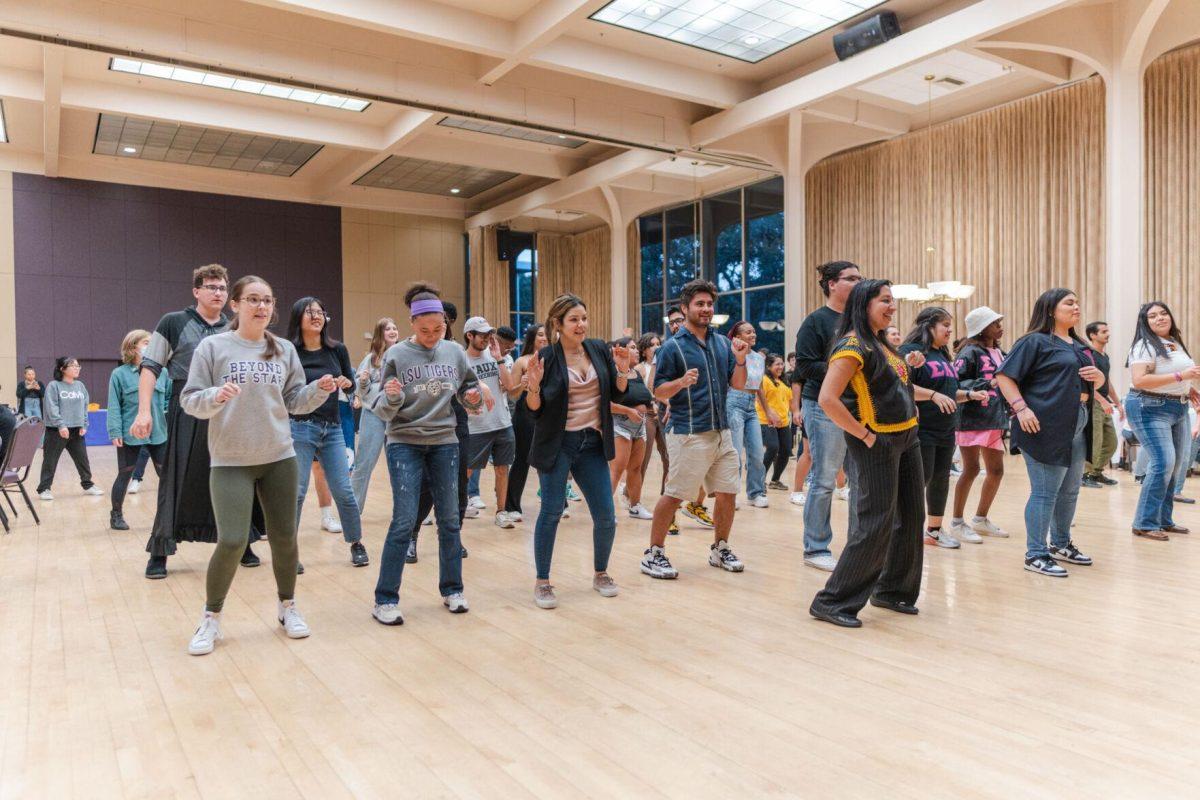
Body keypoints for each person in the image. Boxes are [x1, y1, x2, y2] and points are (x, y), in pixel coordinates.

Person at [181, 275, 333, 655]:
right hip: (231, 460)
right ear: (235, 304)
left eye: (267, 300)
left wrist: (319, 390)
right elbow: (190, 399)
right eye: (252, 299)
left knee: (284, 538)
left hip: (279, 457)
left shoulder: (282, 349)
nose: (261, 306)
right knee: (232, 540)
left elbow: (295, 400)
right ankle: (211, 619)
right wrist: (216, 395)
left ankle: (287, 607)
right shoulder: (212, 347)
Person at [808, 279, 932, 628]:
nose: (892, 307)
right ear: (864, 305)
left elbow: (894, 388)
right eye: (885, 301)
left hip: (907, 439)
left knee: (910, 518)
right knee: (875, 522)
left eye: (893, 301)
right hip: (877, 443)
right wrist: (864, 435)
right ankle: (832, 601)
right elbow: (827, 399)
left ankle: (891, 590)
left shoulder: (881, 345)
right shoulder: (851, 345)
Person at [132, 264, 260, 580]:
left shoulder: (234, 327)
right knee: (175, 478)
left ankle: (241, 544)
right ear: (196, 291)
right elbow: (150, 367)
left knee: (235, 477)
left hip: (229, 410)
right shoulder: (173, 322)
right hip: (187, 406)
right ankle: (159, 551)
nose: (217, 292)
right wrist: (144, 411)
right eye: (211, 287)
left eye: (222, 288)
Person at [370, 286, 484, 624]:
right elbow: (382, 409)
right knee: (404, 520)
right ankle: (385, 599)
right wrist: (391, 396)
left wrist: (475, 396)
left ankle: (452, 589)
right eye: (424, 330)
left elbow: (467, 391)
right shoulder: (396, 356)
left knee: (450, 519)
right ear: (412, 324)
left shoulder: (454, 353)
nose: (432, 336)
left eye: (439, 329)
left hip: (445, 441)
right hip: (404, 441)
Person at [524, 294, 629, 608]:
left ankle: (601, 573)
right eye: (573, 319)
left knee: (606, 516)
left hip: (592, 443)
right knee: (552, 510)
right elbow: (534, 409)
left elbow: (619, 389)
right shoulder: (546, 357)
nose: (581, 325)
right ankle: (542, 582)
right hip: (558, 444)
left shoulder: (597, 348)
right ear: (558, 324)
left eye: (583, 318)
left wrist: (622, 369)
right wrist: (533, 385)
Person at [643, 279, 749, 580]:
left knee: (728, 493)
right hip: (689, 432)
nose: (705, 309)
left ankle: (720, 548)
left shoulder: (721, 344)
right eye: (699, 304)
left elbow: (738, 384)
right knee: (675, 495)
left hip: (721, 431)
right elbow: (659, 391)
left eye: (709, 304)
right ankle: (654, 553)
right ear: (686, 308)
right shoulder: (672, 347)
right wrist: (681, 382)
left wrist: (740, 361)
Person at [995, 288, 1104, 577]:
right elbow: (1004, 376)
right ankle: (1035, 553)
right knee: (1045, 492)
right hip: (1043, 423)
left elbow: (1092, 380)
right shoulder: (1034, 341)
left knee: (1069, 491)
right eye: (1069, 303)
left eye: (1078, 302)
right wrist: (1021, 409)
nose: (1077, 306)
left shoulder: (1079, 345)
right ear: (1050, 309)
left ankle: (1060, 543)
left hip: (1078, 421)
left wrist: (1100, 377)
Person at [286, 296, 367, 568]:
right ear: (298, 317)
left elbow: (351, 385)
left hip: (331, 428)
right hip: (299, 427)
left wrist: (346, 383)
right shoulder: (289, 352)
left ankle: (356, 543)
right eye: (309, 312)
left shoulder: (337, 349)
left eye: (320, 312)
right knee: (296, 492)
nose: (316, 316)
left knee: (344, 490)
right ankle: (288, 552)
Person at [792, 261, 862, 571]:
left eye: (860, 278)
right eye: (851, 278)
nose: (858, 283)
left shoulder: (861, 322)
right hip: (822, 405)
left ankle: (859, 545)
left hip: (858, 406)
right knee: (824, 479)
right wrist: (844, 372)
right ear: (832, 284)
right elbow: (805, 366)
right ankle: (816, 547)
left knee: (860, 479)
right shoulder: (816, 322)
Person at [899, 308, 988, 548]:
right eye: (945, 325)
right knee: (920, 479)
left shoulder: (942, 355)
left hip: (946, 430)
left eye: (950, 325)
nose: (950, 330)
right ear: (929, 327)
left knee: (940, 479)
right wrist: (934, 395)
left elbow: (948, 394)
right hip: (921, 428)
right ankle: (905, 530)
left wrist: (969, 394)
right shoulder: (911, 352)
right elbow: (902, 387)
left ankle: (934, 531)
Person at [1124, 301, 1200, 541]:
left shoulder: (1175, 342)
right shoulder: (1144, 345)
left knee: (1177, 465)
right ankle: (1144, 523)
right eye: (1152, 316)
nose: (1159, 318)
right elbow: (1140, 380)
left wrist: (1187, 389)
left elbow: (1169, 374)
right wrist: (1182, 376)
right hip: (1149, 406)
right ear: (1145, 323)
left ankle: (1164, 520)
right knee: (1163, 463)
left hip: (1176, 405)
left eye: (1163, 313)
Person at [949, 307, 1009, 540]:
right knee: (971, 468)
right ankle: (956, 522)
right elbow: (957, 383)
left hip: (995, 418)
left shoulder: (1000, 352)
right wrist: (987, 384)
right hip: (973, 418)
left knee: (996, 470)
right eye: (996, 323)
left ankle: (980, 519)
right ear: (983, 328)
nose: (1000, 326)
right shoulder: (969, 352)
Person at [107, 330, 170, 531]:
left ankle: (170, 515)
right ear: (133, 346)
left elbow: (169, 398)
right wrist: (115, 432)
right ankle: (116, 515)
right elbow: (114, 405)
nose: (150, 346)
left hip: (158, 432)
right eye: (146, 342)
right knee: (125, 474)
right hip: (130, 434)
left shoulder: (163, 372)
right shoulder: (119, 374)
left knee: (166, 475)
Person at [462, 316, 517, 529]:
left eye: (488, 334)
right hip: (476, 426)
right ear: (470, 336)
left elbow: (510, 385)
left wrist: (499, 359)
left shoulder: (494, 356)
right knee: (467, 470)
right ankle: (457, 507)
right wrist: (479, 385)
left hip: (502, 422)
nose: (486, 338)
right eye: (482, 334)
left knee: (503, 468)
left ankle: (501, 511)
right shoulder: (462, 360)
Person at [352, 317, 400, 513]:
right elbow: (359, 390)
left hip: (398, 417)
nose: (393, 331)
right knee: (364, 463)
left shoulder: (403, 354)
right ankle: (353, 511)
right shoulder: (371, 359)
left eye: (395, 328)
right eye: (388, 328)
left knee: (400, 466)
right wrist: (364, 382)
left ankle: (410, 512)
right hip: (373, 415)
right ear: (381, 333)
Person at [36, 357, 102, 500]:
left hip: (76, 430)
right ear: (62, 368)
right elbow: (51, 407)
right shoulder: (54, 386)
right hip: (57, 430)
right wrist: (61, 424)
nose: (77, 368)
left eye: (78, 366)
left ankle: (88, 484)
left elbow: (85, 406)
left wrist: (84, 424)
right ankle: (44, 488)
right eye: (73, 366)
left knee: (82, 459)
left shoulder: (80, 386)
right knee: (50, 460)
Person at [725, 321, 774, 508]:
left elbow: (759, 385)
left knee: (756, 453)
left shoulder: (759, 358)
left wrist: (768, 410)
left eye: (754, 331)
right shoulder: (730, 355)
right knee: (734, 453)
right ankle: (731, 493)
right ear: (737, 337)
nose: (753, 334)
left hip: (751, 406)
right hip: (733, 402)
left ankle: (755, 493)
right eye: (748, 332)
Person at [505, 323, 549, 522]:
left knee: (549, 459)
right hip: (525, 413)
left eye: (547, 334)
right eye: (540, 334)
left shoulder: (555, 359)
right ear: (532, 337)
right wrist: (520, 385)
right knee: (522, 459)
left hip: (549, 412)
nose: (544, 337)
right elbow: (511, 393)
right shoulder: (522, 361)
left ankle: (556, 503)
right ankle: (512, 506)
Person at [608, 336, 653, 520]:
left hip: (639, 424)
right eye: (632, 347)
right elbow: (605, 404)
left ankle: (635, 506)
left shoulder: (638, 373)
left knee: (635, 468)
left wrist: (651, 406)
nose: (637, 351)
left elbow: (642, 396)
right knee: (617, 469)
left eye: (636, 348)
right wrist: (628, 411)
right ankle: (606, 510)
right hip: (620, 423)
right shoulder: (613, 372)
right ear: (621, 350)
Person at [1082, 321, 1124, 488]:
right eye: (1104, 331)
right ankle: (1084, 475)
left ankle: (1096, 472)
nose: (1108, 334)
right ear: (1093, 335)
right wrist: (1102, 401)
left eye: (1108, 330)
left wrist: (1117, 403)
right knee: (1095, 440)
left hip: (1104, 404)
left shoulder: (1104, 357)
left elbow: (1107, 382)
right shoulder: (1088, 355)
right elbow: (1087, 382)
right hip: (1094, 403)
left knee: (1111, 442)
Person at [759, 354, 793, 488]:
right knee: (773, 447)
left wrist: (796, 413)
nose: (780, 367)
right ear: (768, 366)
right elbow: (759, 400)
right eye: (777, 364)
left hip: (783, 422)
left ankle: (775, 480)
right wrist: (770, 414)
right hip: (766, 420)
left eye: (781, 364)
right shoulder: (764, 380)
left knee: (786, 450)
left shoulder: (784, 382)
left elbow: (790, 401)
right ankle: (759, 480)